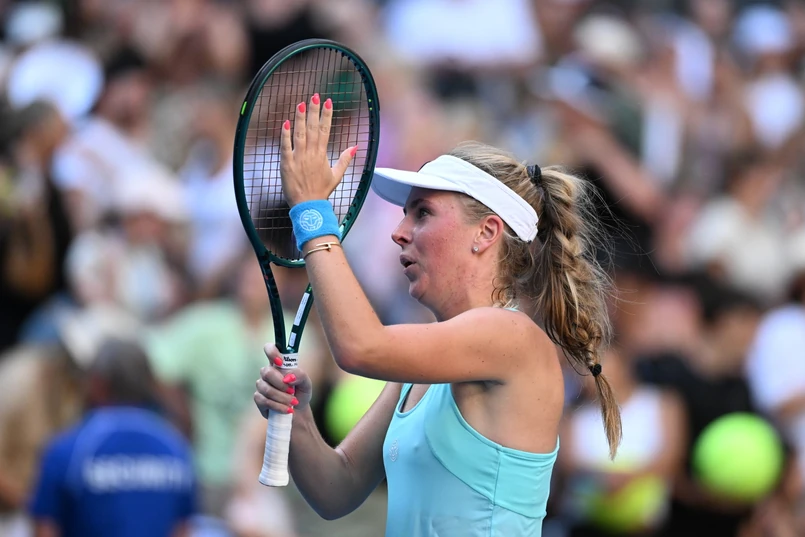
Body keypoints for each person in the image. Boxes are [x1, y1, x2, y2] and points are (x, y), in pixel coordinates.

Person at [254, 94, 622, 536]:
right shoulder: (425, 363)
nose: (399, 232)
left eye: (423, 213)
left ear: (486, 232)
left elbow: (360, 347)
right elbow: (338, 489)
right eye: (405, 214)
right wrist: (297, 419)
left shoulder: (511, 335)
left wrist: (312, 212)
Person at [28, 338, 197, 537]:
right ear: (150, 382)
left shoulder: (70, 449)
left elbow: (46, 527)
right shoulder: (175, 447)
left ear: (98, 383)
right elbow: (183, 529)